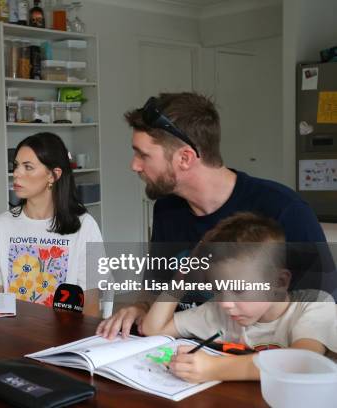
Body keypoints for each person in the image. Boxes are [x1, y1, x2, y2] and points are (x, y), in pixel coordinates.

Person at [97, 92, 332, 339]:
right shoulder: (167, 209)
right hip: (180, 351)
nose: (134, 165)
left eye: (143, 155)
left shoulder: (285, 209)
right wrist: (140, 307)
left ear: (185, 158)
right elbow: (156, 288)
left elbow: (321, 312)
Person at [141, 212, 337, 382]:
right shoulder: (222, 311)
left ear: (279, 282)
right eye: (217, 290)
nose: (225, 303)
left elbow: (300, 363)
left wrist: (213, 368)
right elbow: (153, 328)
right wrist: (183, 276)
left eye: (239, 290)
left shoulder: (315, 305)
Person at [0, 133, 103, 313]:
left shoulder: (85, 226)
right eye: (16, 166)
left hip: (68, 337)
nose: (16, 173)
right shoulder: (0, 226)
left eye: (28, 167)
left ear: (53, 175)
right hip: (13, 337)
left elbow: (92, 307)